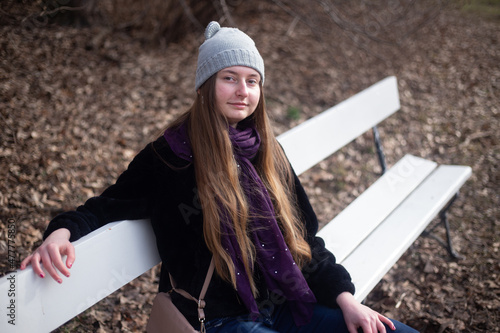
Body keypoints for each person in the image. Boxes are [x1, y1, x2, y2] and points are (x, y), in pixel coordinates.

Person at [21, 21, 418, 333]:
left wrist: (346, 299)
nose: (242, 90)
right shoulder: (170, 157)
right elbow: (105, 205)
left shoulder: (267, 151)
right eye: (230, 77)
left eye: (253, 80)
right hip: (218, 320)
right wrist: (60, 232)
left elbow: (306, 242)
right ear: (207, 84)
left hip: (285, 306)